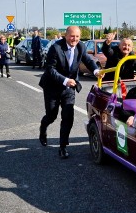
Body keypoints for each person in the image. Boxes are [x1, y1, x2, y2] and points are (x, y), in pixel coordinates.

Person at [38, 26, 101, 159]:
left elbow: (88, 60)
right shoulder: (56, 48)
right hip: (52, 86)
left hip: (69, 88)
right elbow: (50, 69)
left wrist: (96, 71)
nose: (75, 39)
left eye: (77, 36)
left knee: (68, 116)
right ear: (66, 36)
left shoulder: (80, 46)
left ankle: (62, 146)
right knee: (51, 116)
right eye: (72, 36)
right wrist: (65, 80)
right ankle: (43, 128)